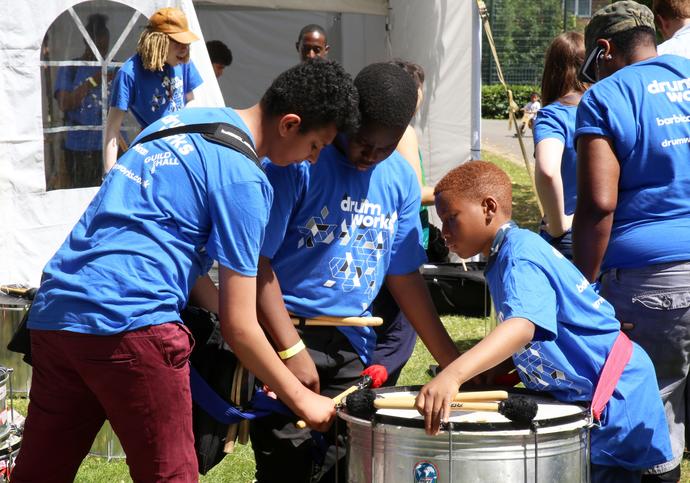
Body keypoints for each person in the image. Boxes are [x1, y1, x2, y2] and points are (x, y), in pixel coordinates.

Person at [11, 59, 359, 483]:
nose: (312, 158)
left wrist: (272, 357)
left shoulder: (177, 123)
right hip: (133, 324)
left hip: (57, 313)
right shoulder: (246, 180)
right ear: (289, 124)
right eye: (316, 145)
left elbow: (172, 252)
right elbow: (239, 325)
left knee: (40, 473)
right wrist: (301, 398)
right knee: (171, 475)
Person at [249, 62, 460, 483]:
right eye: (363, 142)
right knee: (286, 465)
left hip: (353, 346)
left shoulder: (399, 179)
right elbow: (258, 266)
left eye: (385, 148)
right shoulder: (301, 160)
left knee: (349, 468)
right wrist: (290, 351)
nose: (370, 156)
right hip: (286, 334)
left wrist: (454, 363)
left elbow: (405, 278)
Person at [418, 160, 672, 482]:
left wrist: (453, 375)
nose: (445, 232)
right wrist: (496, 370)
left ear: (488, 208)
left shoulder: (520, 255)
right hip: (592, 397)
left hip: (617, 396)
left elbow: (523, 324)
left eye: (451, 218)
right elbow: (544, 329)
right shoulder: (505, 256)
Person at [572, 1, 690, 480]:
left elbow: (599, 204)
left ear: (604, 50)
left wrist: (582, 285)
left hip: (650, 285)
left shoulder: (605, 97)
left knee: (643, 417)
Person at [368, 60, 436, 386]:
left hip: (394, 248)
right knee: (396, 330)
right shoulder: (404, 132)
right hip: (395, 245)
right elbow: (414, 190)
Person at [103, 7, 204, 173]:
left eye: (186, 43)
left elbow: (191, 99)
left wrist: (182, 121)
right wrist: (109, 175)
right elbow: (113, 128)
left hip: (185, 148)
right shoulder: (129, 73)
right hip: (154, 156)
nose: (184, 50)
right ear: (158, 41)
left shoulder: (183, 63)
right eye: (178, 42)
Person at [532, 32, 588, 259]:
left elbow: (547, 170)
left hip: (569, 240)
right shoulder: (607, 109)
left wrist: (558, 224)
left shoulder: (552, 116)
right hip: (610, 233)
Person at [53, 13, 113, 188]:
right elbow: (64, 103)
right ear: (88, 42)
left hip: (112, 144)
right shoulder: (72, 68)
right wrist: (94, 80)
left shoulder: (115, 67)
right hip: (80, 149)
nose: (103, 51)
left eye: (106, 46)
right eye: (99, 46)